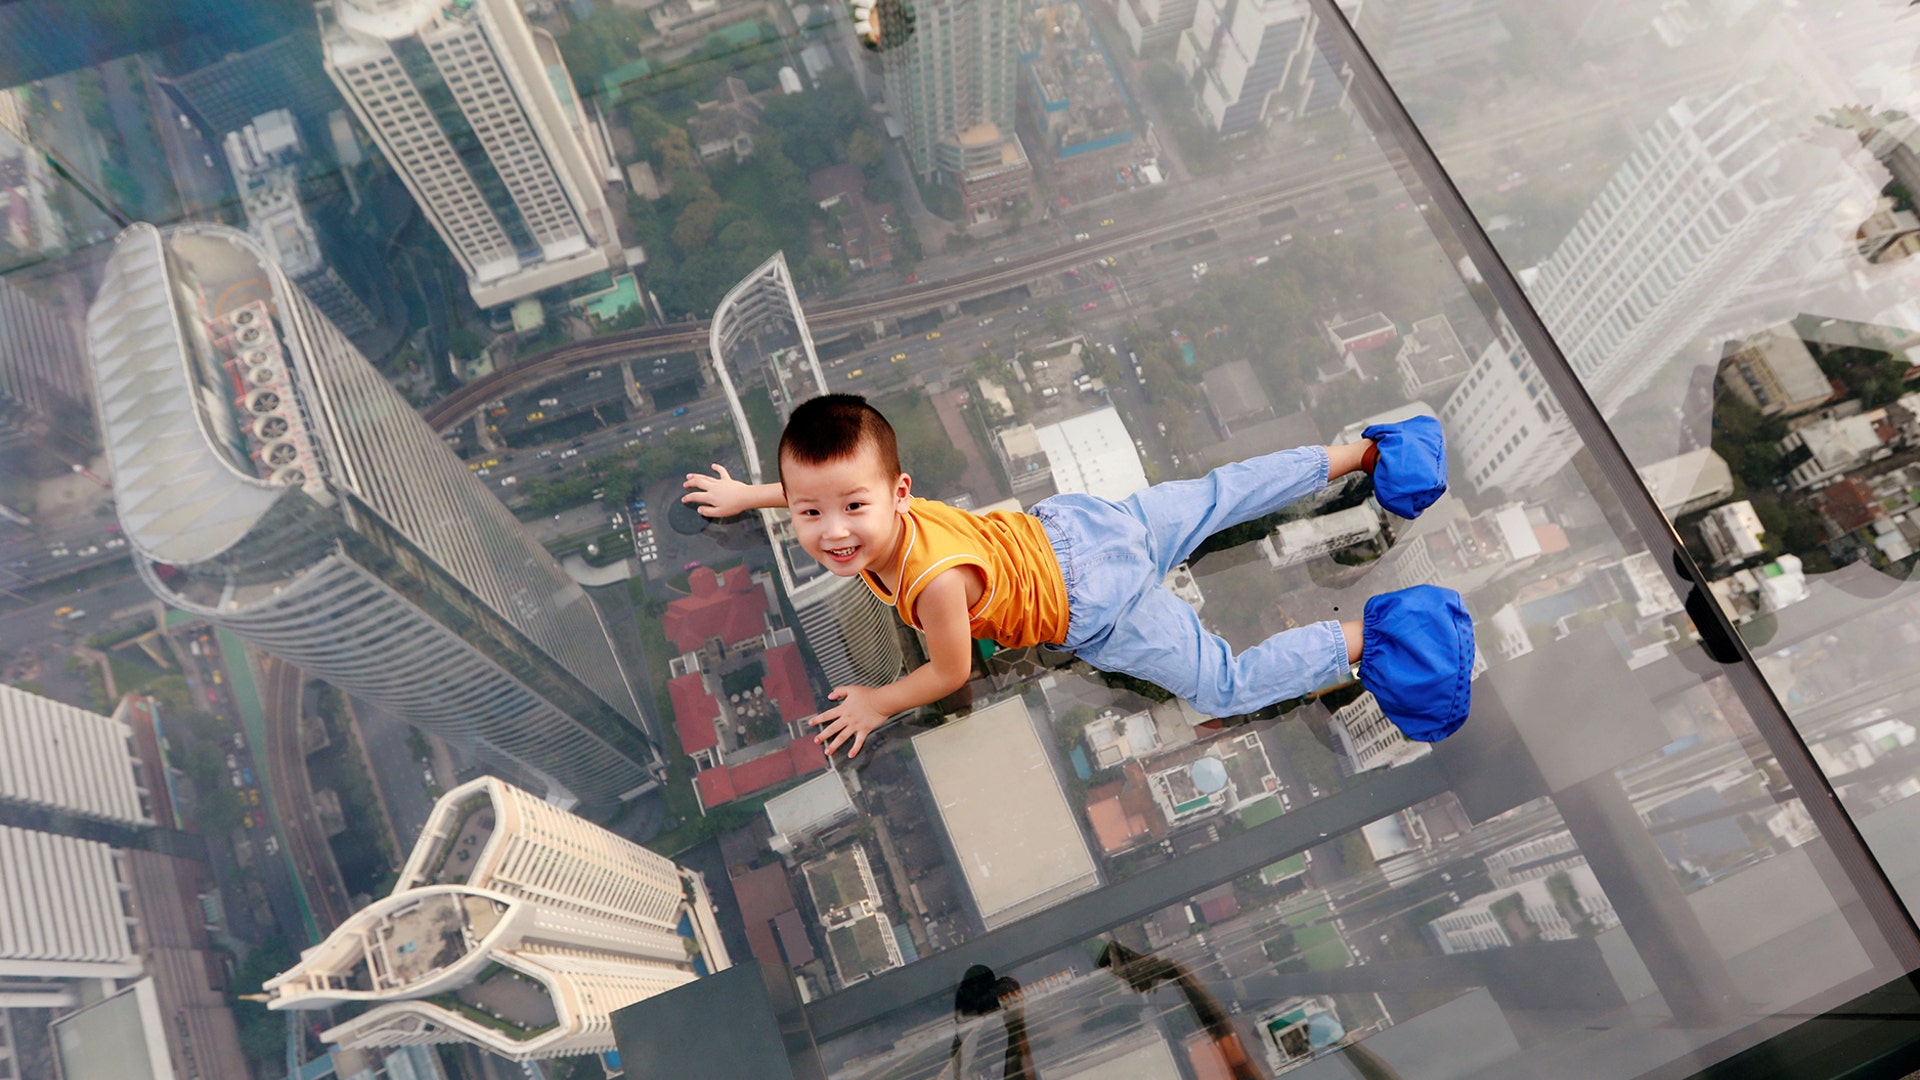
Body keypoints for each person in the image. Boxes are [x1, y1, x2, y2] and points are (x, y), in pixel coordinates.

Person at [682, 394, 1472, 758]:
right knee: (1219, 497)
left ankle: (1378, 636)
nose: (832, 532)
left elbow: (950, 671)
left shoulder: (930, 586)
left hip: (1096, 604)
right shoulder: (882, 513)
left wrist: (877, 703)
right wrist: (748, 496)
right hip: (1079, 525)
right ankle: (1369, 452)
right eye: (810, 515)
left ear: (897, 494)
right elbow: (808, 486)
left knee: (1221, 687)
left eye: (851, 508)